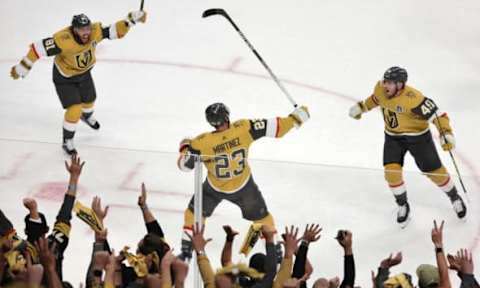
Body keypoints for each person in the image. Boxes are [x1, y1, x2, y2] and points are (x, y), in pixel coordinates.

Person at [177, 102, 310, 260]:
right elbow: (277, 128)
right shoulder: (243, 128)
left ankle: (186, 252)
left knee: (193, 214)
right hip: (244, 187)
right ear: (227, 116)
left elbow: (184, 166)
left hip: (214, 188)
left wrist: (185, 147)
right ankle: (274, 252)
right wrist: (296, 117)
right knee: (262, 219)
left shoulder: (201, 143)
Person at [10, 10, 147, 155]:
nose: (86, 32)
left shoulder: (94, 31)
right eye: (82, 30)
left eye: (87, 28)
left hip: (84, 74)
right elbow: (37, 49)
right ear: (74, 30)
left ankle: (86, 116)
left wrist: (131, 21)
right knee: (74, 109)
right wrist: (23, 67)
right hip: (65, 79)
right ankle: (67, 141)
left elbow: (114, 31)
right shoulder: (62, 40)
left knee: (90, 100)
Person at [348, 66, 466, 226]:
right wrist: (362, 108)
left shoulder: (414, 98)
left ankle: (454, 196)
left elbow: (438, 116)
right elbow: (375, 99)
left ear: (400, 84)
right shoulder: (380, 89)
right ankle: (402, 204)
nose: (385, 86)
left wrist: (446, 133)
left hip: (418, 138)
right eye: (385, 81)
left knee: (435, 172)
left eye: (390, 83)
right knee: (391, 173)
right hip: (392, 137)